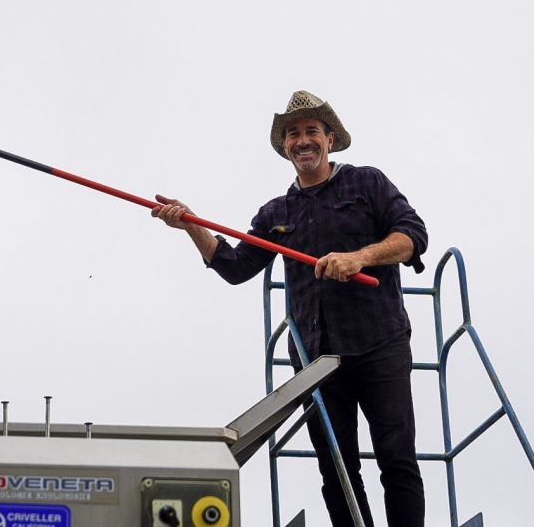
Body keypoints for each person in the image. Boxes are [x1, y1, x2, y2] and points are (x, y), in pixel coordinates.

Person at [152, 90, 427, 527]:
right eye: (294, 134)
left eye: (312, 131)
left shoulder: (368, 182)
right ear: (285, 147)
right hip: (317, 358)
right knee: (337, 469)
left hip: (380, 344)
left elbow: (412, 236)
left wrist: (359, 257)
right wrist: (191, 225)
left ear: (329, 139)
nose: (303, 140)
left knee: (397, 458)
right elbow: (235, 267)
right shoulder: (276, 213)